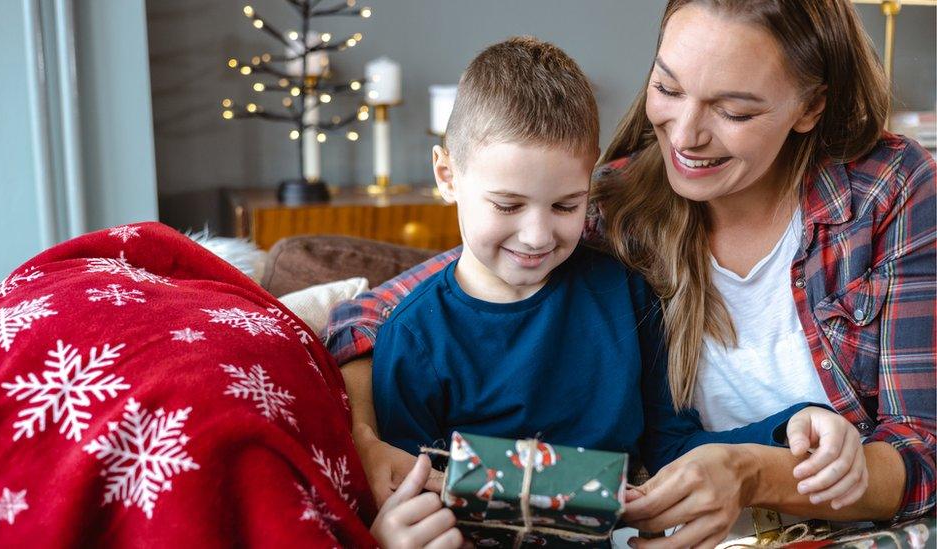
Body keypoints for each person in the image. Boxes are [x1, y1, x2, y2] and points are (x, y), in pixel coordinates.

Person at [325, 1, 936, 547]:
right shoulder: (614, 205)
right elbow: (394, 306)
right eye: (668, 88)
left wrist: (772, 453)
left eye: (733, 110)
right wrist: (363, 438)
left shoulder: (888, 190)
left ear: (811, 106)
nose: (686, 136)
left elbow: (923, 449)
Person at [372, 36, 847, 473]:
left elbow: (671, 449)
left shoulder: (624, 292)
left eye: (566, 205)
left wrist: (787, 428)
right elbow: (412, 485)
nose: (537, 236)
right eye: (508, 205)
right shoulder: (413, 338)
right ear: (447, 175)